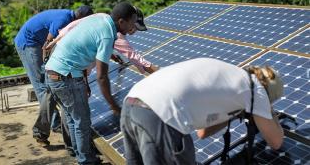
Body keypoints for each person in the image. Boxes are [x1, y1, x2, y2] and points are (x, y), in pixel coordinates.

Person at [120, 58, 284, 165]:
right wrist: (270, 114)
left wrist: (234, 113)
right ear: (268, 92)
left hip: (133, 103)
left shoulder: (234, 78)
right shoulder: (255, 89)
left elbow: (202, 133)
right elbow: (276, 142)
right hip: (160, 115)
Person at [44, 2, 139, 164]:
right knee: (82, 121)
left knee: (73, 119)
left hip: (53, 72)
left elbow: (80, 46)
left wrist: (85, 83)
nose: (133, 26)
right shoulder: (108, 33)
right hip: (66, 76)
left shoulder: (101, 17)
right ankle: (86, 161)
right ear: (122, 21)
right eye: (132, 21)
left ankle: (80, 155)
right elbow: (102, 77)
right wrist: (114, 105)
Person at [14, 6, 93, 146]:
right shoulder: (63, 20)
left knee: (49, 87)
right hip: (29, 44)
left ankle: (52, 123)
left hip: (38, 43)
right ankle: (50, 125)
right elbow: (47, 44)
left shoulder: (70, 19)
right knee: (43, 86)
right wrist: (48, 67)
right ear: (80, 18)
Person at [46, 7, 158, 74]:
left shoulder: (102, 17)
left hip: (58, 52)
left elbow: (75, 29)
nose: (134, 31)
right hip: (68, 64)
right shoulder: (114, 33)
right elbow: (136, 59)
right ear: (125, 21)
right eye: (134, 26)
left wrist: (112, 55)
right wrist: (159, 72)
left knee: (53, 92)